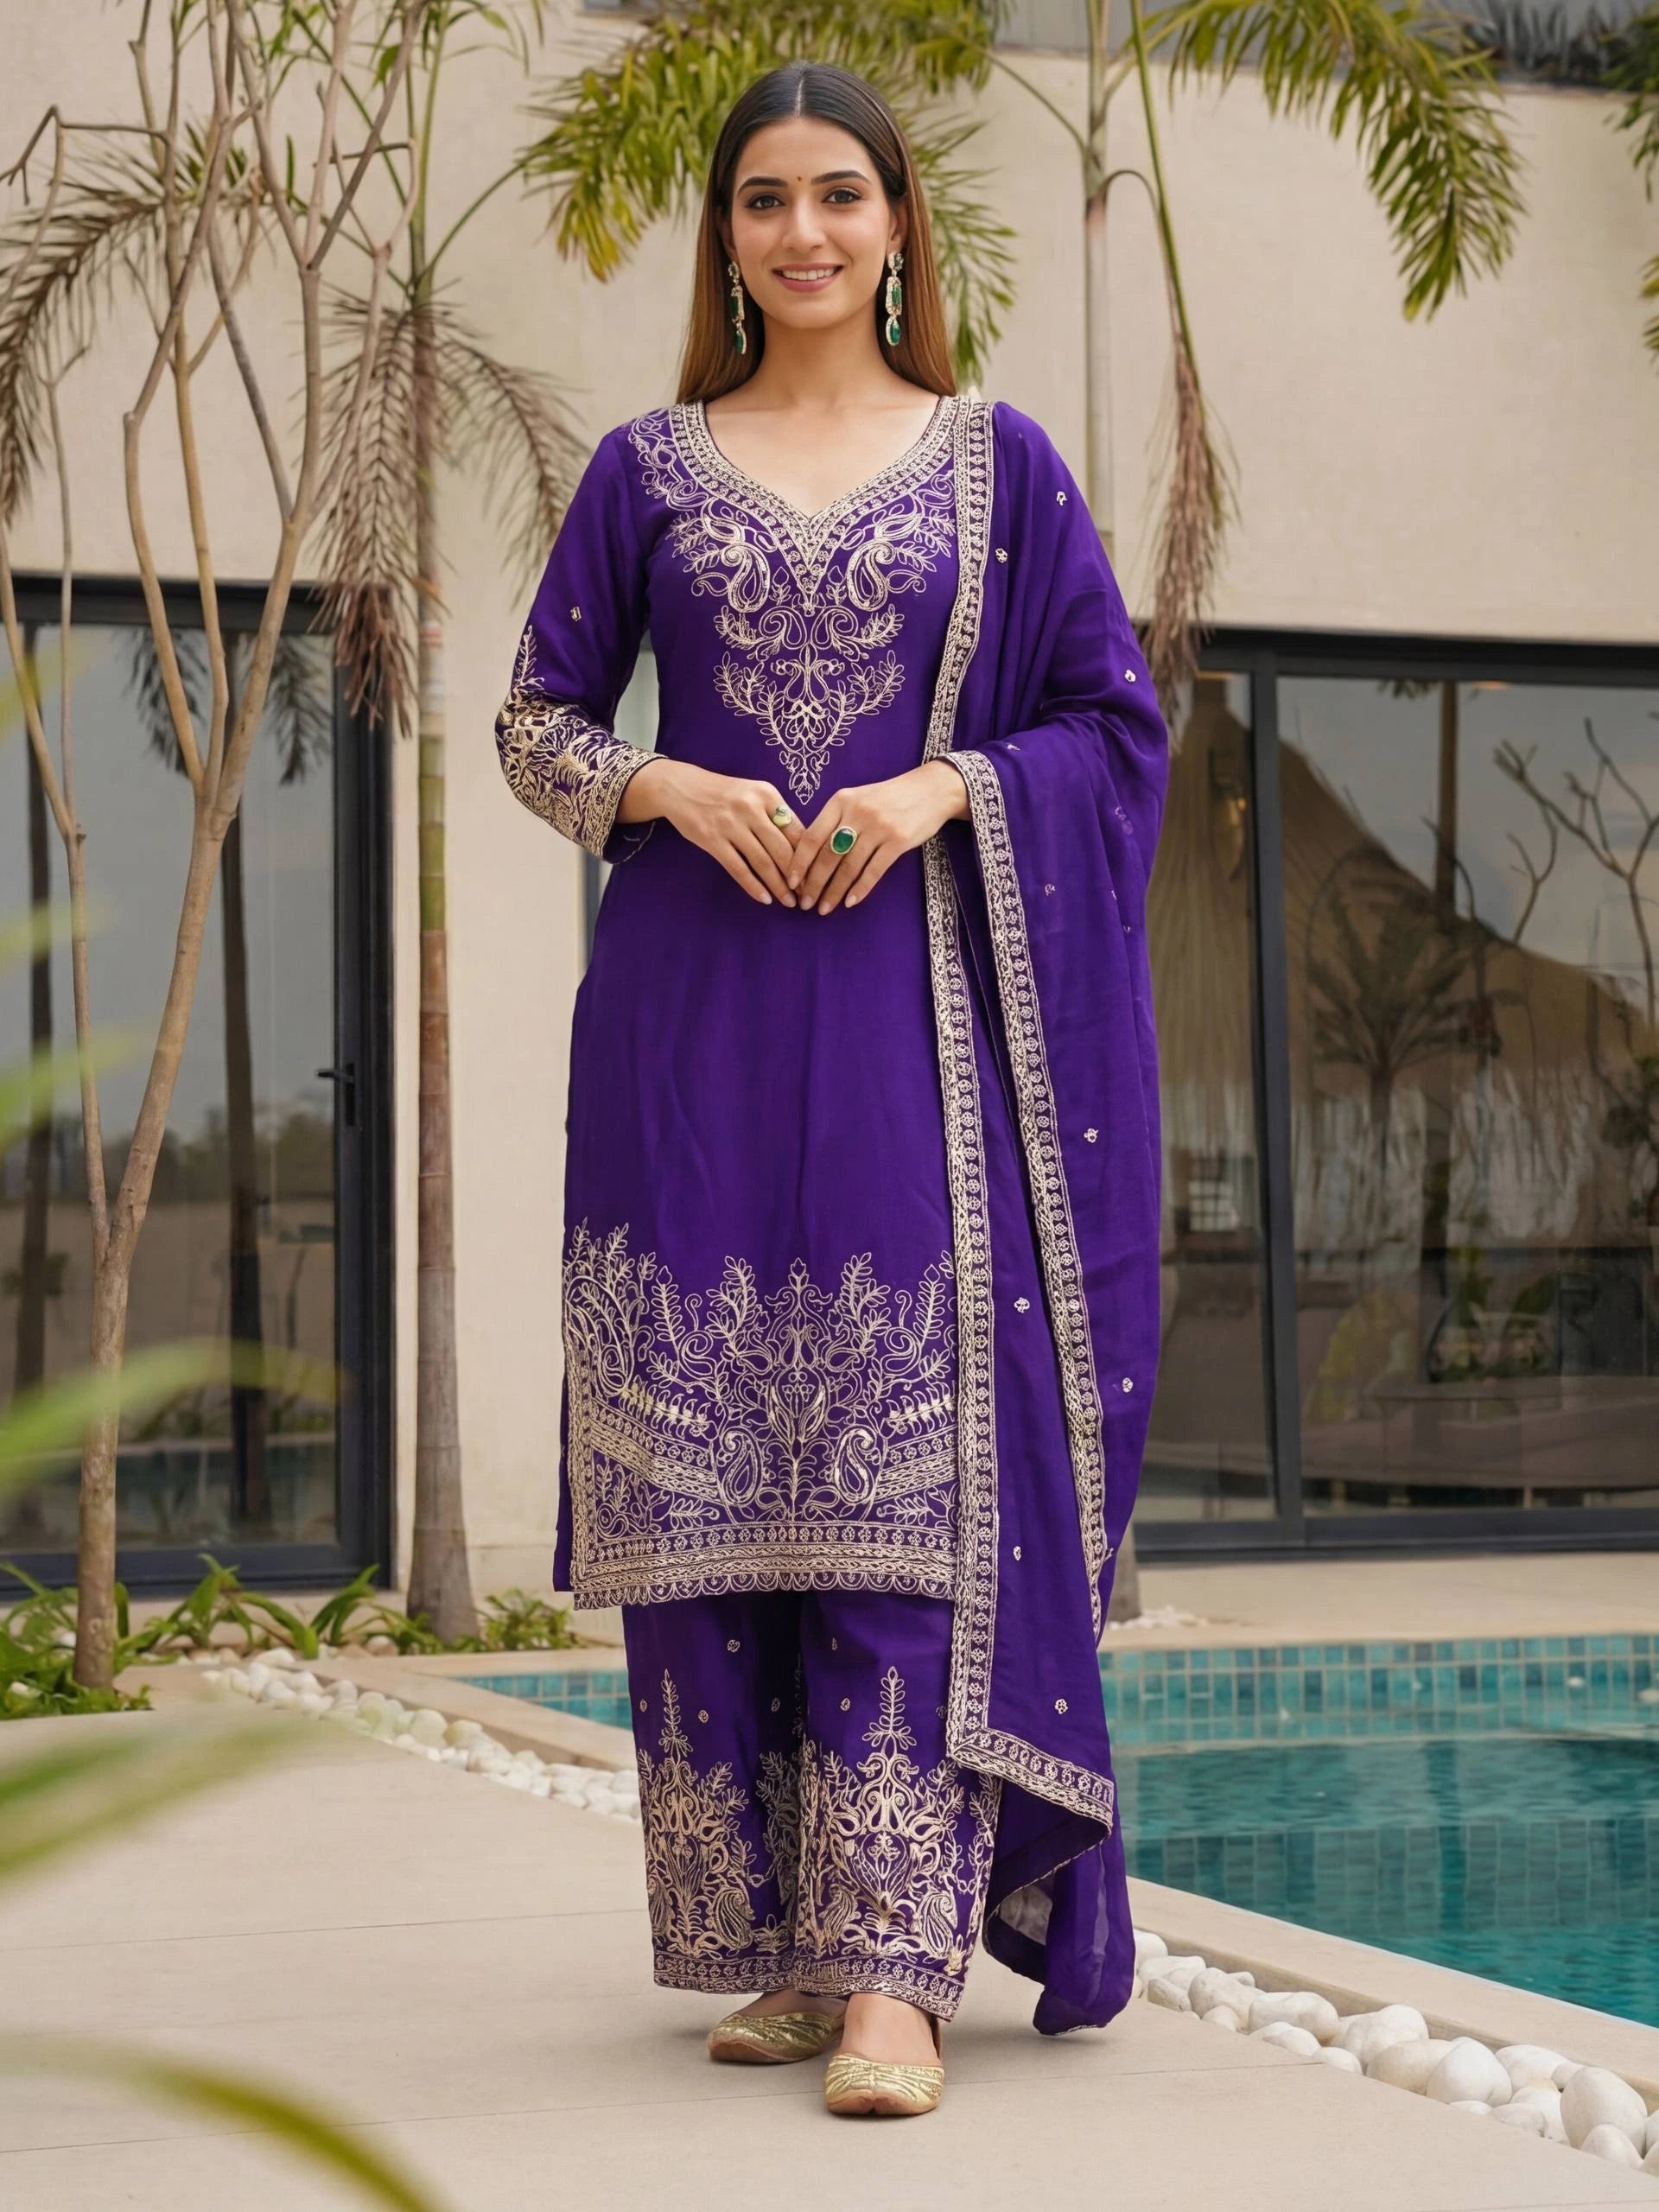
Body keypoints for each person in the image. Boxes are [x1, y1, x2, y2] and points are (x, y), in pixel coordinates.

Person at [494, 57, 1168, 2120]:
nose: (802, 230)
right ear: (728, 234)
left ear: (898, 230)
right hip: (689, 1026)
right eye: (766, 198)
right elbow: (534, 722)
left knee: (897, 1451)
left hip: (912, 1010)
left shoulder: (1001, 467)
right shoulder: (640, 466)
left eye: (841, 196)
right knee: (716, 1483)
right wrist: (668, 784)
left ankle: (897, 1968)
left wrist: (941, 782)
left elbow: (1110, 721)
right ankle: (777, 1946)